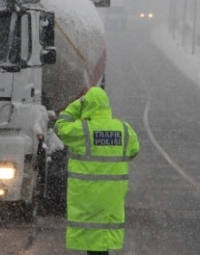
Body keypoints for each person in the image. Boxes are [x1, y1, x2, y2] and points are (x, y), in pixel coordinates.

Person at [53, 86, 140, 254]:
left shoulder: (83, 131)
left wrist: (77, 103)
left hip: (87, 198)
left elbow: (60, 125)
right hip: (112, 198)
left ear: (87, 105)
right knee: (103, 241)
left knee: (92, 242)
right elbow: (134, 151)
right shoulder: (124, 129)